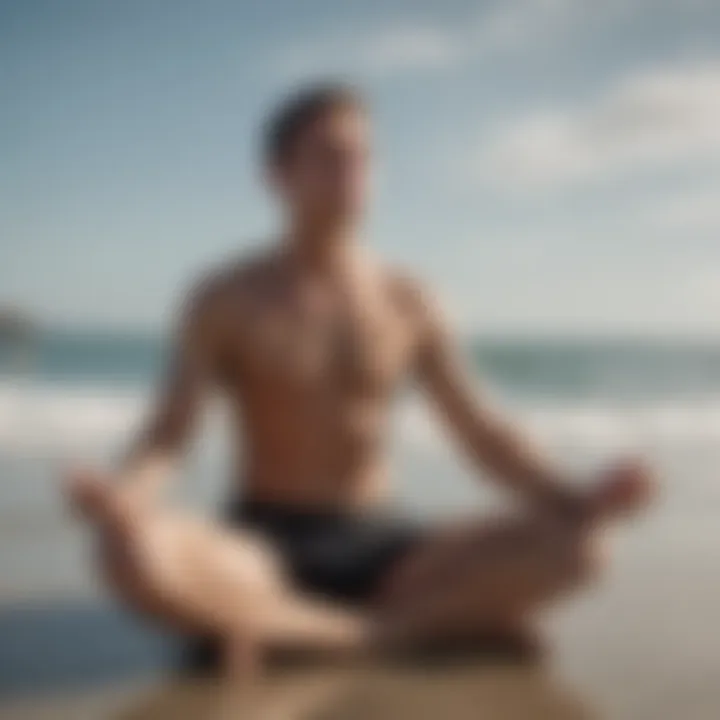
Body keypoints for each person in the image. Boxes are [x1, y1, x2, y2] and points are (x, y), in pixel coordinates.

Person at [67, 83, 654, 676]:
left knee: (581, 548)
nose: (352, 169)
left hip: (386, 543)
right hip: (263, 543)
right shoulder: (225, 296)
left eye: (363, 156)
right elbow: (171, 432)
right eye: (328, 155)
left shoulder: (410, 298)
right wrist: (129, 498)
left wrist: (576, 500)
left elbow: (482, 431)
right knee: (127, 553)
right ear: (276, 176)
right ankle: (404, 630)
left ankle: (296, 629)